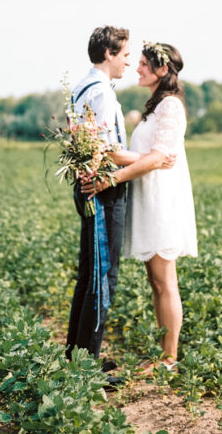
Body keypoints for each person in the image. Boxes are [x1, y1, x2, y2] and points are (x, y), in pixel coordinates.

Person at [83, 41, 197, 374]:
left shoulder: (171, 107)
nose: (138, 67)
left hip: (162, 200)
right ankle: (165, 354)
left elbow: (159, 158)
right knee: (156, 281)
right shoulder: (155, 105)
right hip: (148, 197)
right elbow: (148, 156)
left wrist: (111, 178)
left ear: (163, 70)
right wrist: (97, 149)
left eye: (145, 63)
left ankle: (170, 359)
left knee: (165, 281)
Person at [66, 26, 175, 367]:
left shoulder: (82, 86)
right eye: (126, 55)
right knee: (102, 278)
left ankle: (78, 357)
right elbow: (107, 150)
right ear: (109, 54)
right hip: (103, 190)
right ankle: (86, 367)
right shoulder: (101, 93)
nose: (129, 63)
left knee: (89, 276)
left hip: (92, 188)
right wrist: (151, 160)